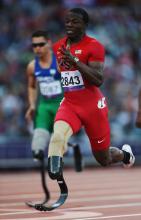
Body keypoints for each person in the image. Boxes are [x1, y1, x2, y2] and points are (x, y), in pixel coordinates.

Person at [47, 8, 135, 180]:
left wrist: (74, 60)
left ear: (85, 25)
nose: (69, 25)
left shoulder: (94, 46)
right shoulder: (58, 47)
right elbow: (61, 74)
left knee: (103, 159)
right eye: (67, 21)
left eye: (75, 22)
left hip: (93, 107)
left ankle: (125, 155)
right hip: (70, 104)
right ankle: (55, 167)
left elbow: (98, 79)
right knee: (57, 135)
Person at [25, 30, 82, 172]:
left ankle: (70, 148)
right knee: (38, 143)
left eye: (41, 44)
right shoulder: (32, 66)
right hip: (44, 105)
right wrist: (32, 105)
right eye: (34, 45)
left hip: (61, 105)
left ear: (49, 43)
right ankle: (44, 152)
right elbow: (31, 86)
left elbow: (73, 81)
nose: (37, 48)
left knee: (57, 140)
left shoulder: (59, 62)